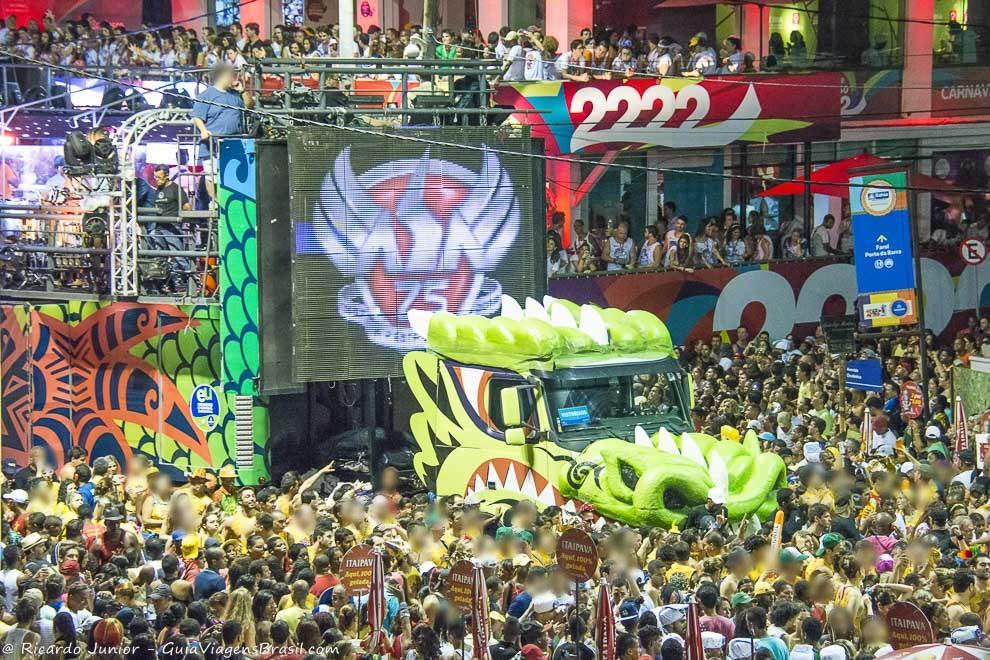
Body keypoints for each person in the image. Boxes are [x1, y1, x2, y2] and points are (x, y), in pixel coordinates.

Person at [191, 62, 253, 202]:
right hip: (212, 144)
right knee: (211, 174)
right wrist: (203, 130)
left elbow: (249, 106)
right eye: (229, 75)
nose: (232, 77)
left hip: (234, 143)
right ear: (221, 76)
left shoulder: (235, 95)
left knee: (233, 174)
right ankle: (216, 201)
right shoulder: (206, 95)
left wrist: (242, 91)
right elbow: (196, 117)